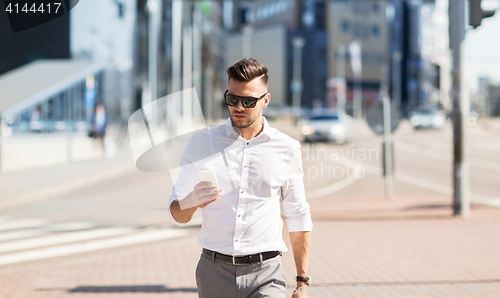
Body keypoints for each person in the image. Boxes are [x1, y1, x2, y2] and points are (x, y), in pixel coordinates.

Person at [168, 58, 312, 298]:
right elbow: (177, 213)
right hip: (214, 272)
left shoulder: (287, 148)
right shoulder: (202, 143)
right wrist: (191, 201)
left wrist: (302, 283)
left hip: (266, 274)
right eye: (232, 99)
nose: (238, 107)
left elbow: (298, 215)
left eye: (248, 101)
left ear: (265, 100)